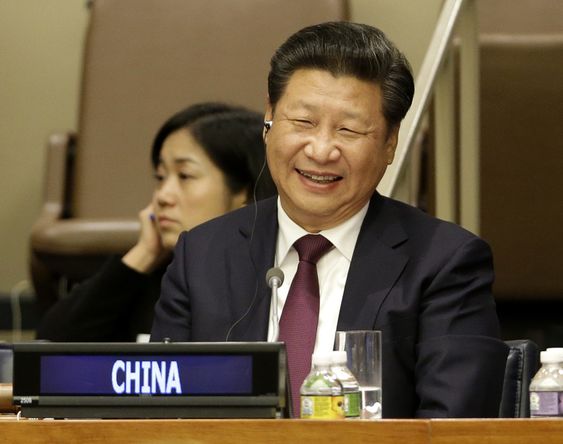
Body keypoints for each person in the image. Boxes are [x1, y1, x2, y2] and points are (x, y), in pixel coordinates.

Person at [151, 22, 508, 418]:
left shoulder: (444, 263)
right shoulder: (201, 254)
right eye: (303, 123)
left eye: (349, 130)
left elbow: (453, 428)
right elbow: (163, 416)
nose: (321, 150)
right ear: (269, 120)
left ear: (390, 143)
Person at [36, 102, 276, 342]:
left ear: (244, 192)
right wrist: (144, 254)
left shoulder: (271, 273)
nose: (162, 195)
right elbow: (52, 344)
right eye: (160, 177)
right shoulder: (158, 275)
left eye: (185, 176)